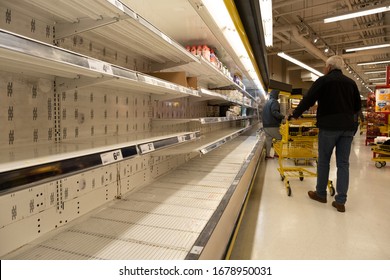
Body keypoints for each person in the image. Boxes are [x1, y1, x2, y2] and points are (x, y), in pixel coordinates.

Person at [288, 55, 361, 213]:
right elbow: (357, 106)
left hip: (329, 127)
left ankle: (321, 194)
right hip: (347, 128)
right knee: (343, 164)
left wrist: (295, 114)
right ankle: (341, 201)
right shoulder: (351, 83)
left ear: (328, 67)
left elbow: (308, 100)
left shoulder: (323, 81)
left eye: (324, 66)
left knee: (324, 161)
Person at [262, 89, 285, 159]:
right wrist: (283, 116)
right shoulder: (274, 102)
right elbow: (274, 112)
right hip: (272, 125)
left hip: (266, 125)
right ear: (276, 95)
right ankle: (276, 154)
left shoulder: (267, 102)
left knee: (268, 139)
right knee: (279, 138)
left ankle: (267, 155)